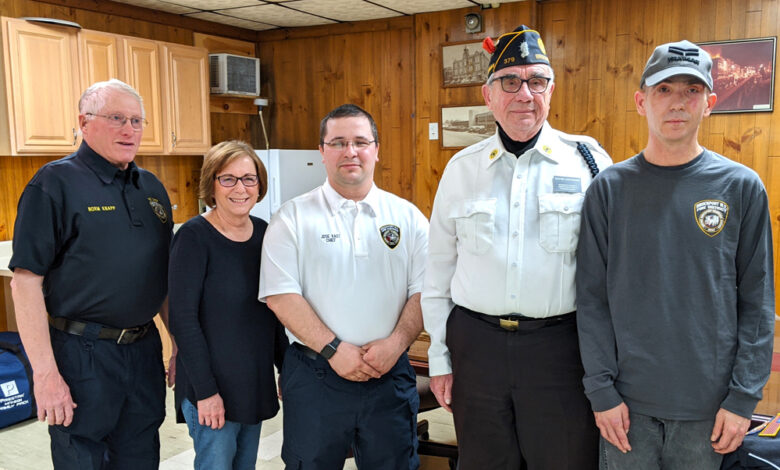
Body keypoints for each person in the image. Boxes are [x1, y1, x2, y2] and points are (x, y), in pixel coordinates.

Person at [576, 40, 775, 469]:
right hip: (626, 410)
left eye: (691, 91)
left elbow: (757, 304)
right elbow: (591, 300)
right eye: (664, 90)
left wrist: (743, 399)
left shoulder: (740, 187)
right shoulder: (608, 190)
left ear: (710, 104)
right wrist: (602, 393)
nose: (677, 103)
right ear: (640, 100)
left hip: (709, 411)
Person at [422, 25, 612, 469]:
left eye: (536, 81)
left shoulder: (588, 162)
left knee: (566, 460)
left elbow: (611, 271)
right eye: (510, 82)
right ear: (489, 96)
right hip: (477, 348)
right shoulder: (461, 169)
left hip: (560, 350)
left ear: (551, 90)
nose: (524, 93)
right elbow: (437, 272)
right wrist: (439, 358)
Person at [9, 79, 173, 469]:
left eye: (137, 120)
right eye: (117, 118)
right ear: (84, 122)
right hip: (81, 354)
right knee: (81, 456)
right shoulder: (53, 184)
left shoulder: (151, 187)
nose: (129, 129)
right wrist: (46, 375)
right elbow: (25, 283)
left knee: (141, 454)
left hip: (143, 349)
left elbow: (162, 275)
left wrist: (178, 342)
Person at [259, 104, 429, 469]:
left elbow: (424, 291)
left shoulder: (408, 217)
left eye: (360, 142)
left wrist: (396, 344)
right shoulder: (291, 217)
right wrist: (335, 350)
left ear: (376, 149)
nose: (350, 152)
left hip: (390, 373)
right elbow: (281, 296)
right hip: (316, 374)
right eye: (337, 142)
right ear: (322, 152)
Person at [169, 140, 287, 469]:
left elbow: (274, 310)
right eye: (229, 178)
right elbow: (183, 320)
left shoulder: (265, 233)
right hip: (212, 387)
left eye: (249, 179)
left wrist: (286, 368)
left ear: (260, 185)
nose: (240, 188)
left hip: (253, 382)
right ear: (212, 184)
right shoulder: (194, 237)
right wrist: (206, 393)